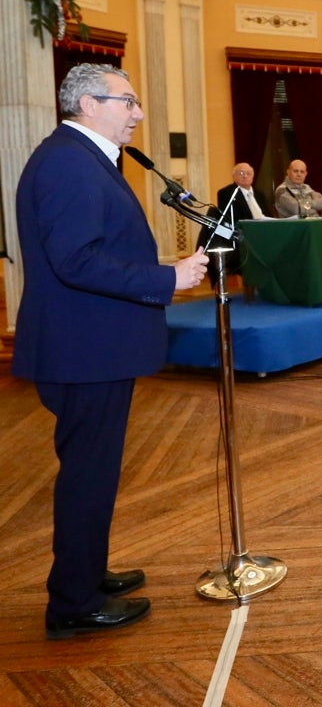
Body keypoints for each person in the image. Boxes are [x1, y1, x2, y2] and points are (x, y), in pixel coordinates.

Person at [14, 63, 209, 639]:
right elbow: (76, 260)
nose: (138, 113)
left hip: (92, 345)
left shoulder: (79, 158)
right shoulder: (70, 164)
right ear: (88, 105)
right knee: (88, 475)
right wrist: (164, 277)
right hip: (85, 348)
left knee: (93, 472)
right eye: (128, 102)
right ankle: (73, 602)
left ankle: (88, 574)